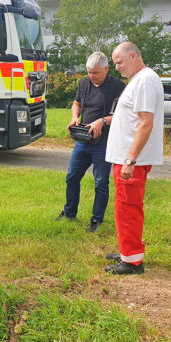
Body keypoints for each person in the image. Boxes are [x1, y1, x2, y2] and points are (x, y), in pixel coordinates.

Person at [104, 42, 164, 275]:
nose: (116, 67)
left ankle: (132, 262)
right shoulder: (140, 79)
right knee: (123, 207)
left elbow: (146, 123)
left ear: (133, 55)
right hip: (125, 159)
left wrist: (130, 160)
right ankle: (127, 251)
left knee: (128, 208)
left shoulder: (145, 80)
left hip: (131, 161)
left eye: (119, 62)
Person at [56, 51, 125, 232]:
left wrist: (102, 121)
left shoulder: (118, 87)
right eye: (89, 72)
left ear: (106, 69)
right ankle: (69, 212)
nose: (92, 77)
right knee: (72, 178)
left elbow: (122, 115)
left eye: (96, 73)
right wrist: (74, 117)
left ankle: (96, 220)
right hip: (83, 140)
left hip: (104, 143)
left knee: (100, 182)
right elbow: (77, 103)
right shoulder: (84, 83)